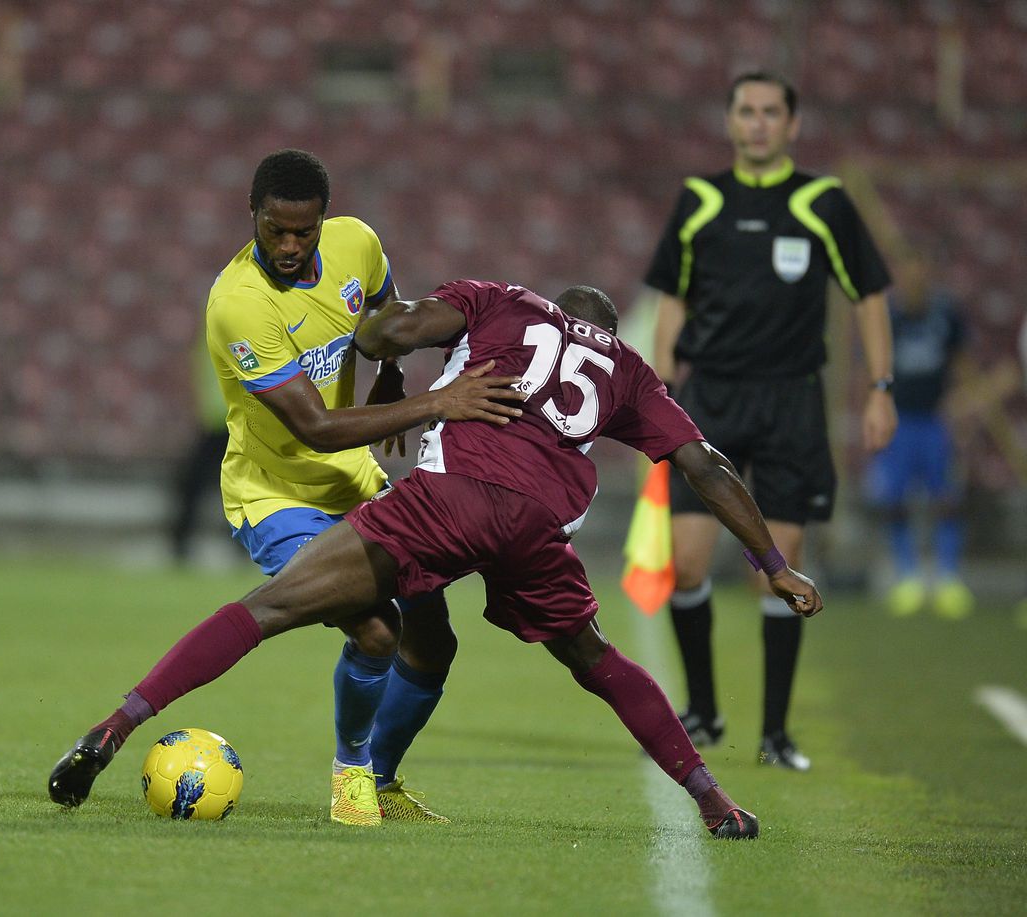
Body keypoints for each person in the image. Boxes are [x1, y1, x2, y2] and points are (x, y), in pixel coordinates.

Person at [48, 279, 824, 840]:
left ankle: (115, 724)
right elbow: (707, 466)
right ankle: (714, 799)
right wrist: (773, 563)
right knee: (596, 661)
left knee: (269, 607)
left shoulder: (503, 301)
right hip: (533, 530)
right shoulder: (628, 371)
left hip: (446, 496)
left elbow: (391, 329)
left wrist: (386, 350)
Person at [48, 150, 525, 826]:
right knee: (375, 629)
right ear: (253, 217)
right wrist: (434, 403)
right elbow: (318, 427)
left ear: (324, 220)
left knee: (433, 635)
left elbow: (388, 314)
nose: (292, 246)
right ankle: (348, 772)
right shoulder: (239, 303)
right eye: (277, 230)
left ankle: (381, 778)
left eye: (304, 231)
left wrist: (389, 372)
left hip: (355, 479)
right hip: (273, 493)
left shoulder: (357, 243)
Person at [645, 72, 896, 771]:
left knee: (778, 569)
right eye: (745, 111)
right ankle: (703, 710)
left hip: (790, 400)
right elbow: (671, 297)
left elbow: (869, 295)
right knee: (687, 562)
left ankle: (776, 734)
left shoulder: (823, 202)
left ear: (792, 125)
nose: (757, 123)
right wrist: (662, 384)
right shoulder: (699, 201)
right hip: (711, 398)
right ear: (729, 121)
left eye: (770, 113)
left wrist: (881, 387)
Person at [865, 248, 973, 619]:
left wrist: (962, 410)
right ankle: (907, 575)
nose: (914, 279)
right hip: (900, 422)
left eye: (920, 270)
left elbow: (961, 364)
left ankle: (947, 577)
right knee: (895, 500)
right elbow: (877, 366)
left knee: (946, 498)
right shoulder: (889, 318)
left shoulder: (946, 314)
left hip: (935, 421)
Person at [169, 337, 233, 564]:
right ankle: (181, 542)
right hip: (219, 422)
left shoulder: (221, 323)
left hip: (228, 422)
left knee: (199, 486)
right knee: (229, 485)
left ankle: (181, 542)